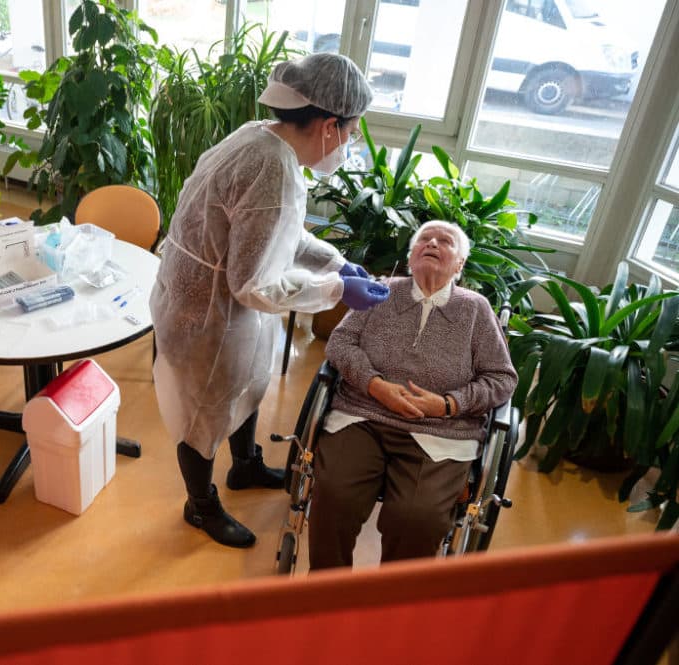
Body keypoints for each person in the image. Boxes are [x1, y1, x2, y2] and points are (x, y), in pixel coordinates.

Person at [151, 53, 391, 549]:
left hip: (212, 299)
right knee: (202, 414)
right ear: (328, 124)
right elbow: (254, 285)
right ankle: (200, 506)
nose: (348, 142)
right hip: (207, 315)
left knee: (247, 384)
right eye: (350, 131)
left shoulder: (263, 136)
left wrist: (334, 262)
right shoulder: (272, 169)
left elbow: (278, 232)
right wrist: (334, 291)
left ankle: (244, 465)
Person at [308, 221, 518, 569]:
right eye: (424, 239)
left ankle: (395, 606)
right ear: (411, 256)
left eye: (445, 241)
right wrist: (375, 384)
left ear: (460, 264)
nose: (432, 243)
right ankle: (329, 593)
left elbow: (502, 378)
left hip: (440, 432)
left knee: (417, 518)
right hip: (363, 415)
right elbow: (340, 343)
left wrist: (450, 404)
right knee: (335, 496)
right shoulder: (381, 292)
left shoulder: (475, 310)